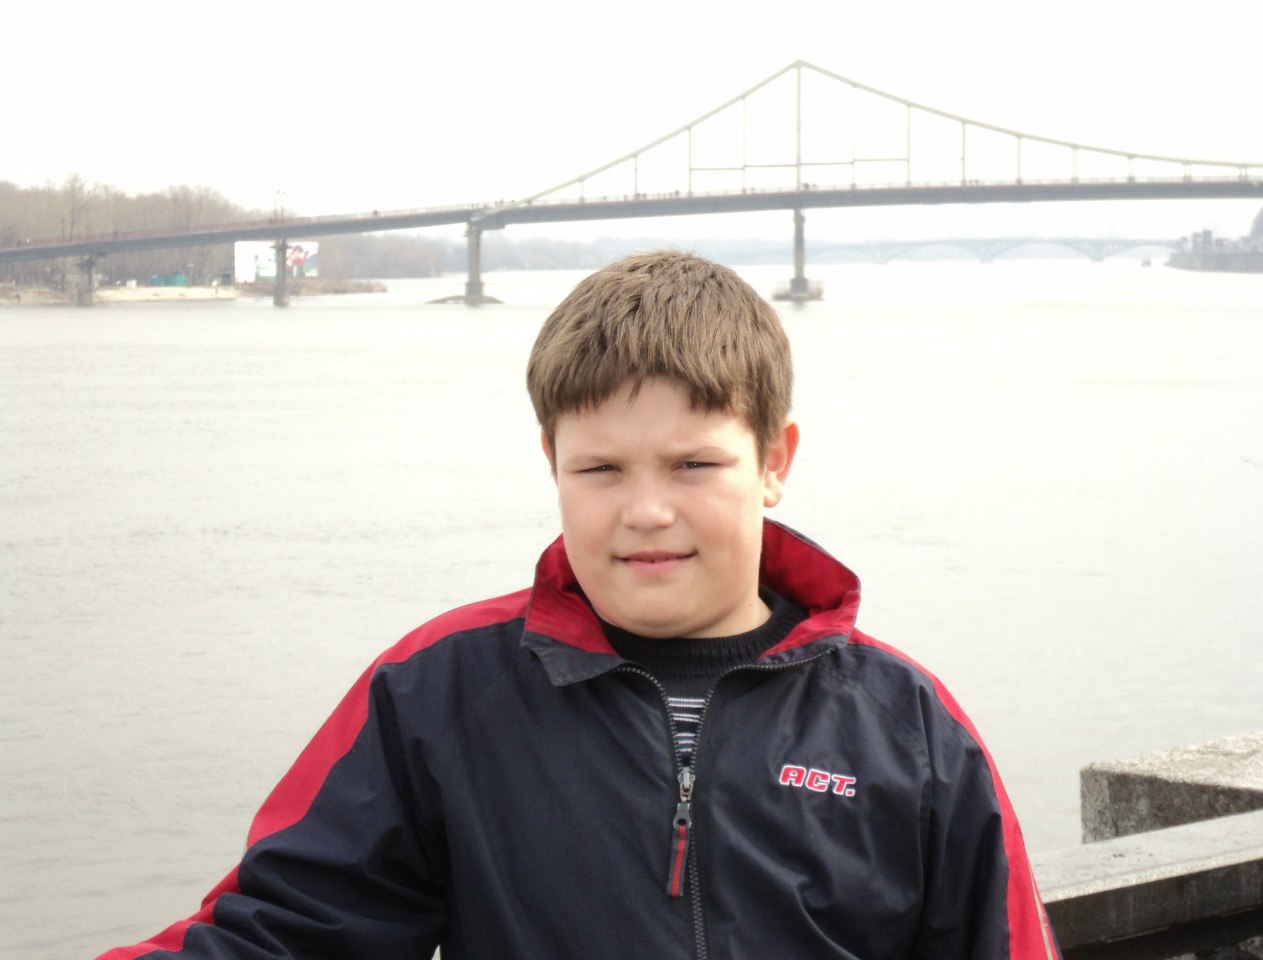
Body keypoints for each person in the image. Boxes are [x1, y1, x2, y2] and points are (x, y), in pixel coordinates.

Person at [97, 251, 1059, 960]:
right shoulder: (442, 692)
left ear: (774, 460)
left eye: (694, 465)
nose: (647, 511)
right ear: (551, 462)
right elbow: (290, 934)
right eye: (600, 469)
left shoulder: (907, 728)